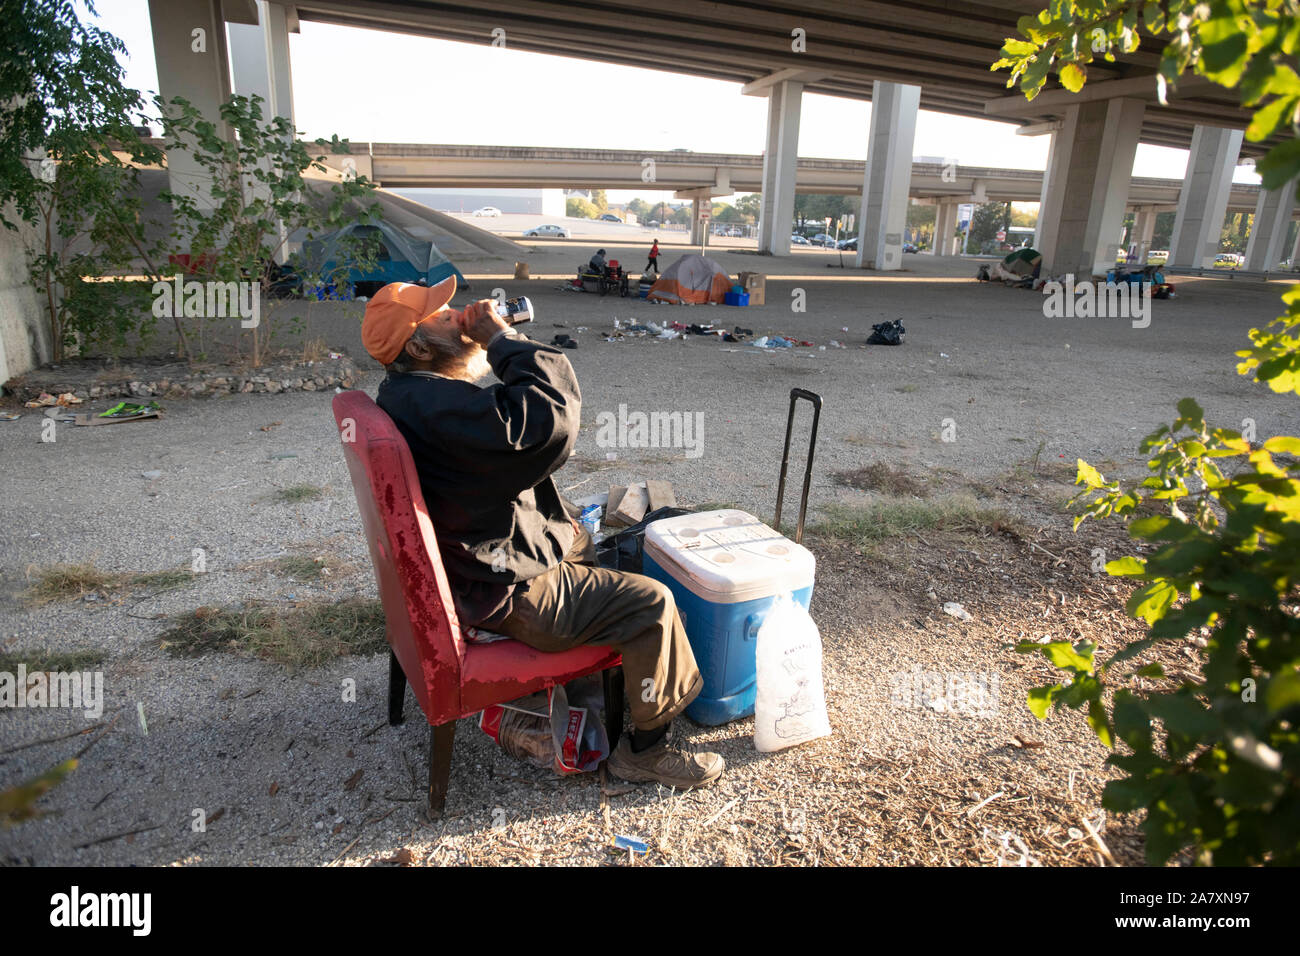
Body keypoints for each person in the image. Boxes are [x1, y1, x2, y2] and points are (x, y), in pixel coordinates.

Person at [362, 277, 724, 790]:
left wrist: (488, 345)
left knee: (577, 532)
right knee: (654, 605)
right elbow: (549, 422)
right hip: (504, 590)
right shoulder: (436, 408)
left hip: (474, 559)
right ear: (418, 347)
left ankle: (600, 667)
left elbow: (502, 433)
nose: (460, 314)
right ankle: (644, 753)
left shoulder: (409, 394)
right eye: (443, 315)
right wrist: (500, 339)